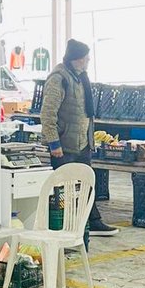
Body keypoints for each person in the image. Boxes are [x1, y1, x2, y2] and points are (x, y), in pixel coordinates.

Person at [40, 39, 117, 236]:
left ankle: (92, 222)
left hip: (82, 143)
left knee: (86, 184)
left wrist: (90, 141)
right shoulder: (59, 79)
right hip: (64, 145)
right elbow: (48, 114)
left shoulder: (81, 77)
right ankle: (65, 226)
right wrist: (54, 142)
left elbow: (86, 113)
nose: (88, 60)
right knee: (64, 189)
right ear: (78, 58)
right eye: (86, 58)